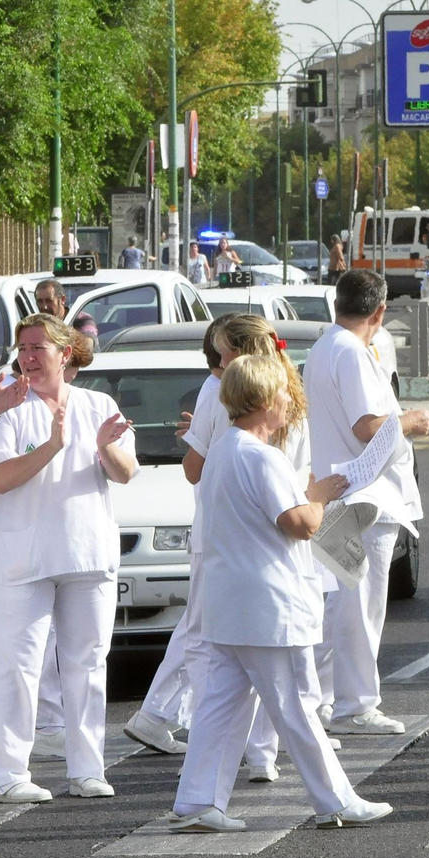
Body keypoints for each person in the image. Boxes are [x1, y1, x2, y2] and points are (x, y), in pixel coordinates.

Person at [171, 355, 393, 833]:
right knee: (296, 706)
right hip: (267, 605)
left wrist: (310, 494)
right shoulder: (260, 455)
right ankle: (336, 800)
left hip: (231, 604)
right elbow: (300, 523)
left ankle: (197, 802)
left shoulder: (225, 450)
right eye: (284, 394)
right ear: (267, 400)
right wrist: (323, 495)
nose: (290, 400)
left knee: (220, 706)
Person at [0, 314, 136, 802]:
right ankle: (7, 773)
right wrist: (52, 446)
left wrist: (107, 449)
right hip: (22, 558)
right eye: (21, 348)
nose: (26, 358)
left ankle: (87, 769)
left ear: (65, 354)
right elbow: (0, 478)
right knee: (16, 668)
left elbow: (126, 473)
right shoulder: (5, 403)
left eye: (37, 348)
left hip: (87, 555)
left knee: (87, 665)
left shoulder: (97, 403)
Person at [306, 269, 429, 735]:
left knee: (341, 607)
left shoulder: (324, 347)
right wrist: (409, 421)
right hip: (364, 497)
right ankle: (355, 705)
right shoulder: (351, 352)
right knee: (361, 607)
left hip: (339, 490)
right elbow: (366, 427)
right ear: (378, 313)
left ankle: (324, 702)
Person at [124, 314, 242, 755]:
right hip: (220, 527)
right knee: (201, 629)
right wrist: (201, 441)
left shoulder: (218, 390)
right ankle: (158, 715)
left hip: (220, 527)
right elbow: (196, 467)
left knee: (200, 627)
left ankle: (160, 715)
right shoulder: (220, 390)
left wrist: (199, 437)